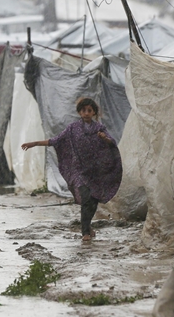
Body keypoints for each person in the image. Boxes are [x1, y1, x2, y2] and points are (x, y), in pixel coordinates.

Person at [21, 97, 122, 242]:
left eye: (89, 110)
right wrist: (35, 143)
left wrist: (104, 138)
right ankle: (85, 232)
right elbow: (56, 140)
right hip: (79, 171)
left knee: (93, 201)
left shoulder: (99, 128)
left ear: (94, 112)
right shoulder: (73, 128)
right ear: (79, 112)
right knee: (86, 198)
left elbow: (112, 143)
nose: (86, 113)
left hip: (95, 172)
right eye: (83, 110)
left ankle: (87, 225)